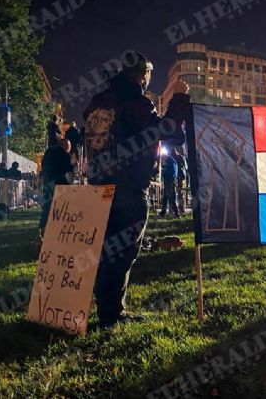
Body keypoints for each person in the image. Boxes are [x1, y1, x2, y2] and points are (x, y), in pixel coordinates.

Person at [83, 51, 190, 327]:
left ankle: (99, 305)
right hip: (127, 188)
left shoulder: (99, 101)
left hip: (98, 186)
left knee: (104, 250)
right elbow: (170, 132)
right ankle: (111, 314)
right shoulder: (135, 103)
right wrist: (178, 96)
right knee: (122, 250)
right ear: (142, 75)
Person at [39, 139, 74, 234]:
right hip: (60, 182)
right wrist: (73, 165)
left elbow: (43, 164)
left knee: (47, 205)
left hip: (47, 181)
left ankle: (42, 228)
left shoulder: (49, 151)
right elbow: (66, 168)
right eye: (68, 145)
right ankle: (60, 227)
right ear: (65, 145)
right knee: (63, 205)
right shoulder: (65, 154)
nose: (69, 147)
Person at [159, 147, 179, 217]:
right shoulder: (169, 161)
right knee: (165, 197)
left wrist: (164, 171)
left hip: (170, 181)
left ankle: (176, 213)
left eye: (163, 157)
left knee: (171, 197)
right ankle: (163, 212)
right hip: (168, 181)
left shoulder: (171, 161)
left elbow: (172, 172)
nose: (162, 159)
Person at [174, 147, 188, 214]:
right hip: (182, 176)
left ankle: (180, 208)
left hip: (177, 177)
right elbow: (186, 167)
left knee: (178, 192)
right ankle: (181, 208)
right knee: (180, 192)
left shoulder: (173, 158)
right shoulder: (182, 158)